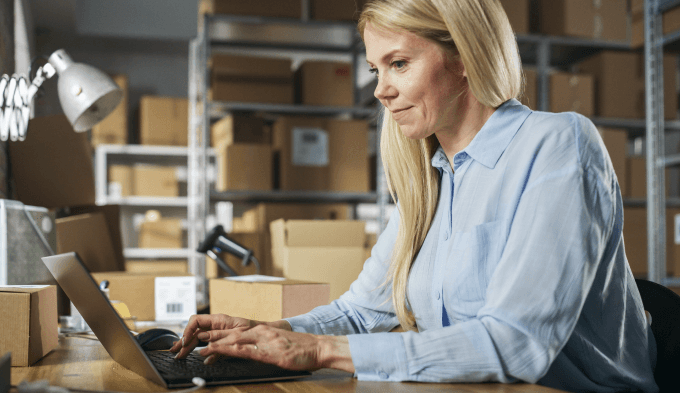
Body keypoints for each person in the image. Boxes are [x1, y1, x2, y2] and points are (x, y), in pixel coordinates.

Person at [170, 0, 658, 391]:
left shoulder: (558, 145)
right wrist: (264, 333)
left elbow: (516, 344)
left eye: (399, 63)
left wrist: (321, 351)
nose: (381, 90)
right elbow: (361, 312)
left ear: (464, 58)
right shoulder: (431, 179)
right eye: (375, 69)